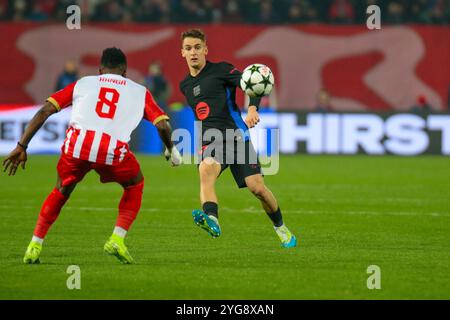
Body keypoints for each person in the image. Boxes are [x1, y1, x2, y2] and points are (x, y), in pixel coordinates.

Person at [2, 47, 182, 264]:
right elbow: (162, 125)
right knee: (135, 184)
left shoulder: (83, 83)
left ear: (100, 70)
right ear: (124, 71)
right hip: (111, 152)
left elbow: (45, 111)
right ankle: (117, 238)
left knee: (61, 190)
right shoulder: (139, 91)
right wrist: (171, 149)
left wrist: (22, 145)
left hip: (77, 147)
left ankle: (34, 245)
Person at [179, 29, 296, 248]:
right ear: (182, 53)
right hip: (211, 141)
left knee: (257, 188)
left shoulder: (222, 70)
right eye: (188, 48)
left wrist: (252, 109)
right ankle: (212, 219)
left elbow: (253, 83)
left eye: (197, 47)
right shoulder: (185, 85)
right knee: (206, 170)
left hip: (236, 137)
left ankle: (280, 227)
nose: (193, 52)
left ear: (205, 49)